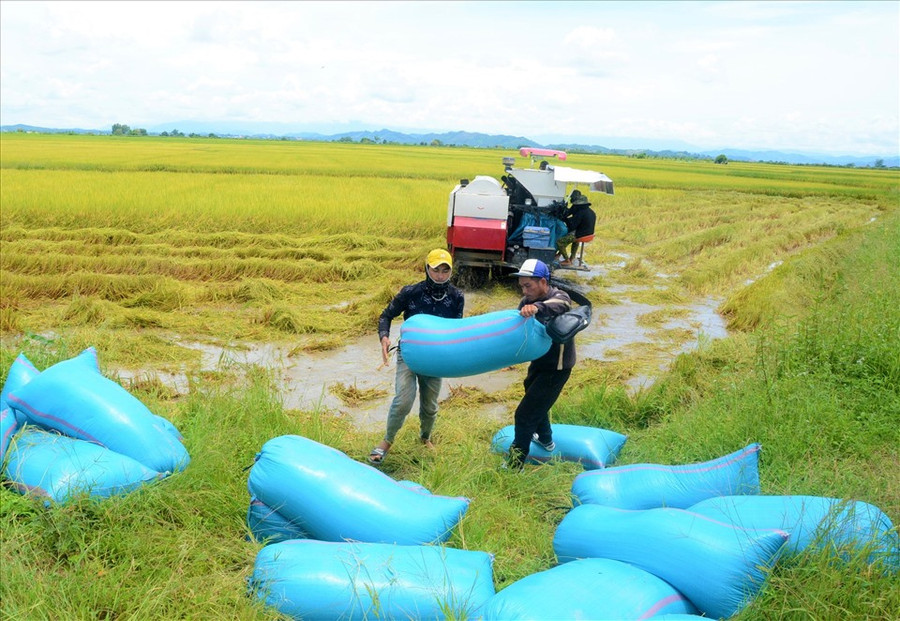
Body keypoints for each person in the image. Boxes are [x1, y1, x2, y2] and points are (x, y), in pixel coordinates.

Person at [368, 249, 465, 464]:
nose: (440, 275)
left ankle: (425, 438)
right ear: (426, 269)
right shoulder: (411, 292)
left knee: (430, 405)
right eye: (435, 270)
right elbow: (386, 315)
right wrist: (384, 337)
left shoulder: (457, 297)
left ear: (451, 272)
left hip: (436, 358)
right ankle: (387, 441)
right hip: (409, 354)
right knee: (403, 400)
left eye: (444, 270)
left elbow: (456, 329)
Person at [505, 258, 575, 470]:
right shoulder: (525, 303)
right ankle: (545, 439)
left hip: (557, 368)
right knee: (533, 397)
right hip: (539, 361)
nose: (525, 290)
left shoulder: (558, 297)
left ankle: (514, 466)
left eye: (529, 285)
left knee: (524, 414)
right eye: (522, 286)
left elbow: (561, 306)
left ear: (543, 282)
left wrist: (536, 307)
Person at [556, 190, 596, 266]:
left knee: (560, 241)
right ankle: (572, 257)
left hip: (580, 234)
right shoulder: (590, 211)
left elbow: (572, 225)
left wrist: (564, 219)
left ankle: (567, 260)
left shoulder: (581, 212)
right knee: (570, 237)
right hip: (589, 233)